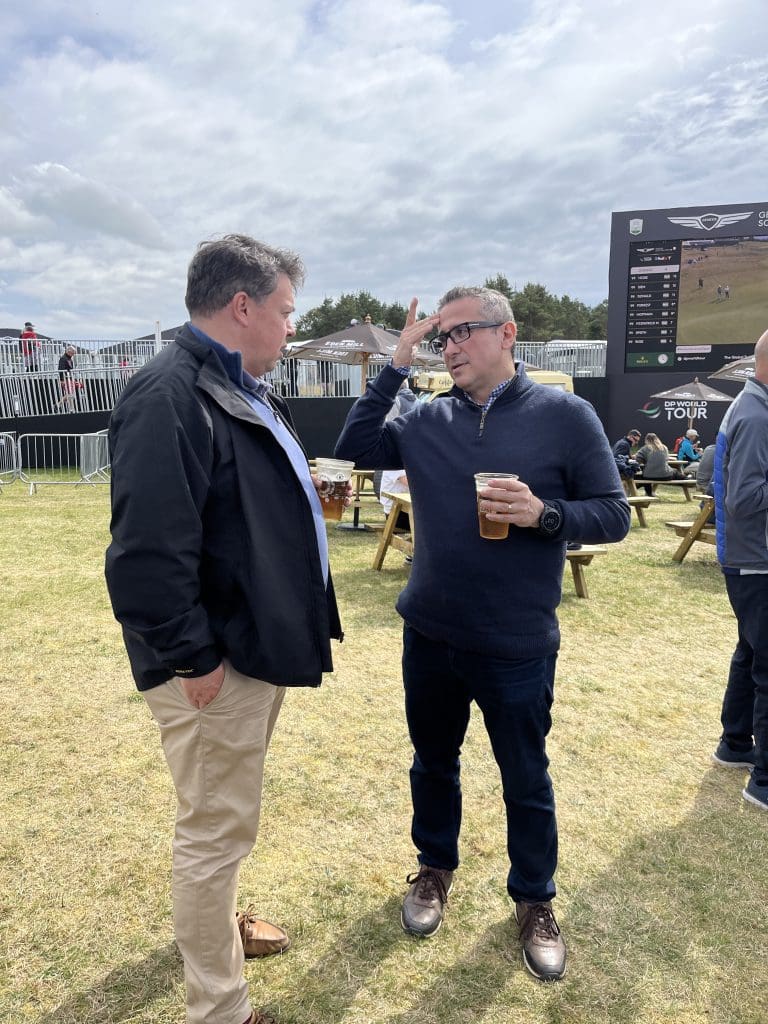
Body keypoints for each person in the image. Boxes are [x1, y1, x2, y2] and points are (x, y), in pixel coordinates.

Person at [335, 286, 630, 982]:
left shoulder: (566, 415)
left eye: (464, 331)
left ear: (508, 333)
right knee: (432, 762)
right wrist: (396, 364)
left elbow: (613, 514)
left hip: (516, 640)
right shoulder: (427, 417)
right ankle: (434, 868)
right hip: (430, 632)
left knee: (525, 777)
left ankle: (534, 899)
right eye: (443, 337)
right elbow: (353, 448)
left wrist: (543, 513)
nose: (452, 347)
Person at [105, 234, 345, 1024]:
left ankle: (216, 932)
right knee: (215, 829)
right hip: (216, 663)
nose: (291, 327)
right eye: (286, 311)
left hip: (249, 647)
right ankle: (220, 1006)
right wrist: (193, 658)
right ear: (243, 306)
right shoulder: (169, 394)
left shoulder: (237, 385)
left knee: (225, 817)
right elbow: (145, 557)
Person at [711, 328, 768, 810]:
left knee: (751, 653)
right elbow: (744, 499)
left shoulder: (753, 408)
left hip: (750, 559)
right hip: (756, 561)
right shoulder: (756, 414)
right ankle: (763, 780)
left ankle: (735, 744)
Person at [56, 344, 80, 410]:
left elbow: (71, 370)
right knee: (70, 394)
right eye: (73, 353)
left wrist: (74, 380)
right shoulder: (63, 359)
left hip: (69, 378)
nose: (73, 355)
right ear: (69, 351)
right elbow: (61, 369)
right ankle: (58, 405)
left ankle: (71, 408)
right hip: (66, 379)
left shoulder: (69, 359)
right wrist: (62, 380)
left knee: (71, 394)